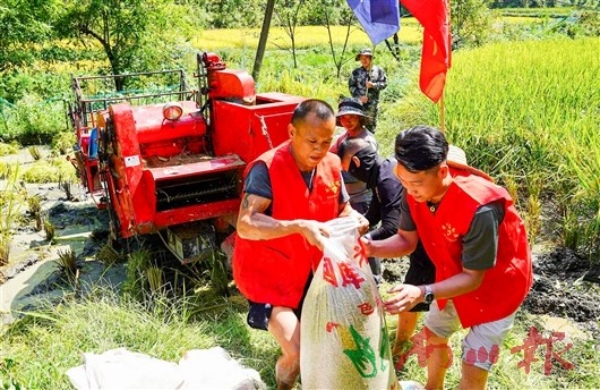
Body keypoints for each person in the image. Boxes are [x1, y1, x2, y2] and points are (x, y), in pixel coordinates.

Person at [362, 125, 533, 390]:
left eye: (415, 183)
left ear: (442, 172)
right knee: (433, 334)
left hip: (498, 286)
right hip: (452, 274)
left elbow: (473, 278)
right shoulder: (413, 188)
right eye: (403, 180)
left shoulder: (480, 207)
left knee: (474, 362)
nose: (408, 190)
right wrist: (369, 248)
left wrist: (422, 291)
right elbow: (407, 240)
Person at [232, 99, 368, 390]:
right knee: (297, 351)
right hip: (269, 276)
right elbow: (245, 223)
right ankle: (283, 387)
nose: (319, 149)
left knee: (333, 341)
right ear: (292, 132)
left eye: (327, 141)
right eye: (312, 141)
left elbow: (342, 208)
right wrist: (297, 226)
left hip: (313, 274)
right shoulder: (266, 168)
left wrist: (355, 219)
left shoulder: (331, 164)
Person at [337, 137, 435, 363]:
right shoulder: (382, 174)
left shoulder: (388, 179)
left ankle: (402, 344)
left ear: (357, 165)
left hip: (425, 239)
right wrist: (351, 228)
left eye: (348, 170)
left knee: (413, 291)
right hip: (418, 235)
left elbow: (392, 227)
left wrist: (364, 243)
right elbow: (374, 214)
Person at [330, 97, 378, 214]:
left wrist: (338, 174)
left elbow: (366, 172)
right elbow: (330, 157)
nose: (347, 121)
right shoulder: (342, 138)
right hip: (346, 198)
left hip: (362, 198)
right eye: (343, 118)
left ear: (360, 118)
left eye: (352, 117)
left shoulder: (367, 141)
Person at [349, 48, 387, 133]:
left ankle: (369, 144)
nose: (364, 60)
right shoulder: (356, 72)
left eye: (366, 57)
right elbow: (351, 86)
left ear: (371, 58)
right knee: (357, 126)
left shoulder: (378, 71)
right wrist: (359, 97)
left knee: (370, 128)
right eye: (362, 58)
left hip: (372, 106)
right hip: (359, 104)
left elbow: (384, 84)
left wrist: (373, 85)